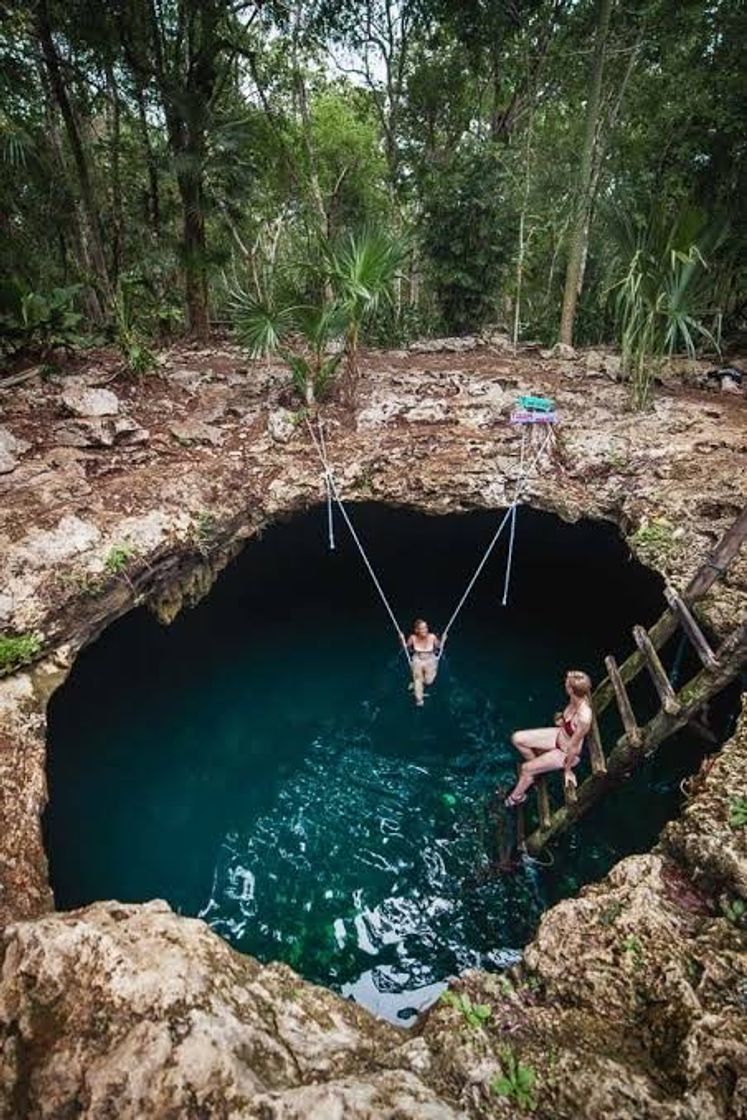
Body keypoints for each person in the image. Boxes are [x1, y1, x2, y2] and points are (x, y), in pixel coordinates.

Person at [504, 670, 593, 806]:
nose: (564, 684)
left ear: (570, 689)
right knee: (517, 738)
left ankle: (516, 798)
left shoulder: (584, 718)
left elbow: (574, 747)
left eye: (566, 684)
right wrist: (561, 720)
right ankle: (537, 769)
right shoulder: (575, 698)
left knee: (526, 768)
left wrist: (568, 771)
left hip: (565, 753)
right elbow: (567, 721)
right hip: (559, 735)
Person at [401, 619, 444, 707]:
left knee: (429, 681)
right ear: (417, 630)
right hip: (418, 659)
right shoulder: (413, 637)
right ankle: (419, 700)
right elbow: (406, 647)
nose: (425, 630)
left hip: (430, 659)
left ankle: (417, 683)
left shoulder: (432, 637)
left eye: (426, 627)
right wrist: (401, 639)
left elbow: (439, 647)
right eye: (422, 628)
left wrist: (443, 639)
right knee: (417, 679)